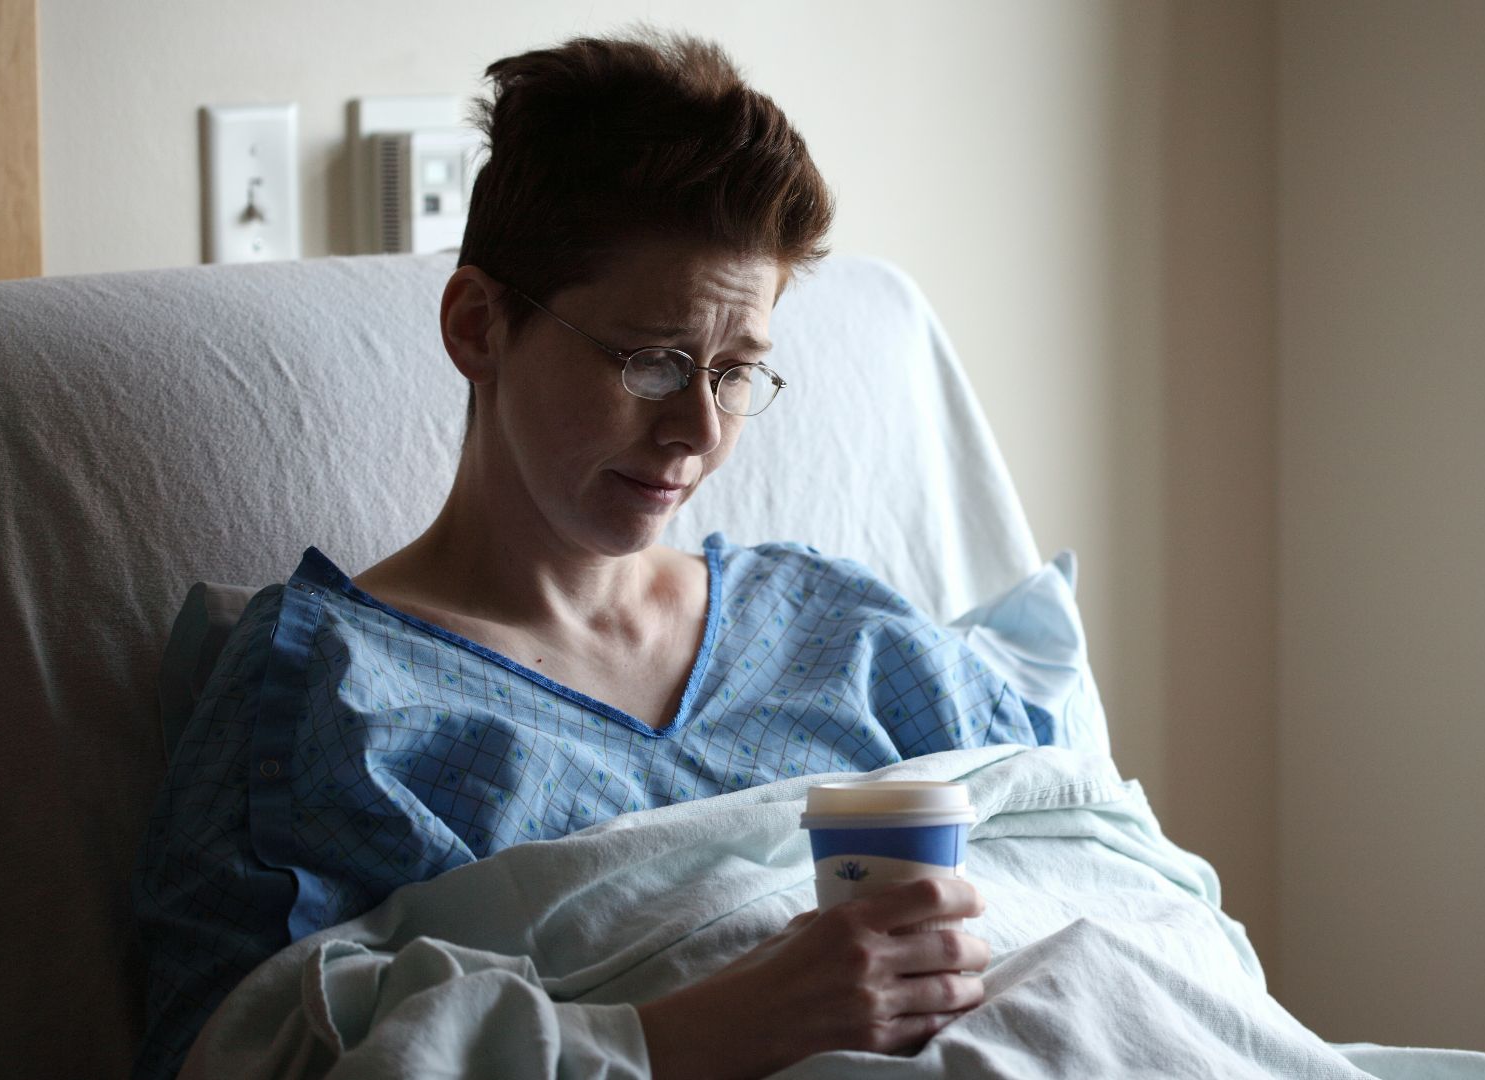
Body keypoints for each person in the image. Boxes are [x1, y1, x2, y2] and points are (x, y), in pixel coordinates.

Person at [132, 30, 1068, 1080]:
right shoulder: (329, 701)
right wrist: (695, 1036)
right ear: (478, 327)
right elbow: (228, 1055)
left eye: (737, 371)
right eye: (654, 361)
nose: (699, 431)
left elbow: (1096, 868)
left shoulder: (843, 634)